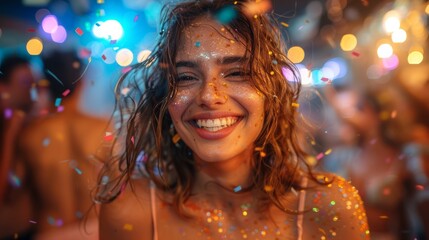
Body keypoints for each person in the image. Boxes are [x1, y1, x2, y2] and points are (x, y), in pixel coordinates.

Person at [96, 1, 370, 239]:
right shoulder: (131, 211)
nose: (209, 96)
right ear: (165, 100)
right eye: (186, 77)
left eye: (236, 73)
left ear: (270, 91)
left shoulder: (329, 207)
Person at [18, 50, 109, 239]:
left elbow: (14, 195)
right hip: (94, 230)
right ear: (82, 82)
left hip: (49, 233)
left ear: (44, 84)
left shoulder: (30, 134)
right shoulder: (104, 129)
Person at [0, 54, 37, 239]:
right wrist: (10, 135)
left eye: (33, 84)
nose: (31, 91)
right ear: (3, 87)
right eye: (24, 83)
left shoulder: (28, 124)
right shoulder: (8, 128)